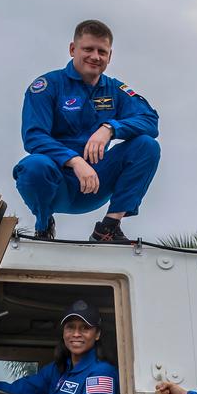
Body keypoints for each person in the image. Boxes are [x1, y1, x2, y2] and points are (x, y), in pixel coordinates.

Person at [14, 19, 161, 244]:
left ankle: (109, 228)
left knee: (147, 145)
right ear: (73, 49)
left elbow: (150, 121)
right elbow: (34, 136)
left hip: (96, 183)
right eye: (88, 49)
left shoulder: (115, 89)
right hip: (57, 182)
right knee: (33, 166)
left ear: (110, 56)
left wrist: (110, 128)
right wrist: (74, 161)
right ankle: (43, 226)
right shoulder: (47, 85)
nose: (95, 56)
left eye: (102, 51)